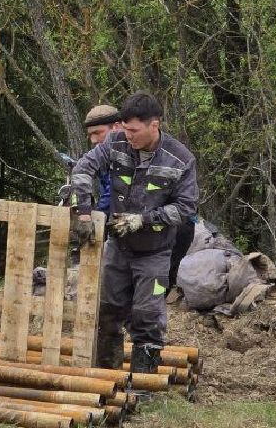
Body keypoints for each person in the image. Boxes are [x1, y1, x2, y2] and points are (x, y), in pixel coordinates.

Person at [67, 92, 198, 375]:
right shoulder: (115, 143)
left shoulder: (179, 159)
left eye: (134, 131)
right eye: (125, 129)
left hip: (155, 252)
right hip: (118, 247)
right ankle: (107, 378)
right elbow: (83, 168)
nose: (128, 137)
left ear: (154, 125)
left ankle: (143, 386)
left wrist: (145, 220)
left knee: (147, 316)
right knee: (108, 310)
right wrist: (85, 212)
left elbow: (186, 208)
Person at [82, 103, 123, 214]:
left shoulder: (132, 152)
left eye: (97, 133)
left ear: (117, 127)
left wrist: (97, 217)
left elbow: (113, 194)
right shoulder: (101, 156)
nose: (93, 140)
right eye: (90, 135)